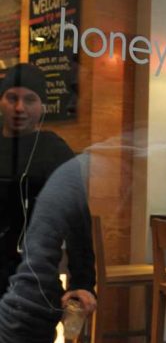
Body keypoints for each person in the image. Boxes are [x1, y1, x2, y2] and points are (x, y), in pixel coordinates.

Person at [0, 63, 96, 339]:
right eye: (12, 98)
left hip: (32, 290)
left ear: (42, 106)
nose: (20, 108)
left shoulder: (55, 152)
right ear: (1, 101)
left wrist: (82, 283)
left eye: (30, 100)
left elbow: (78, 221)